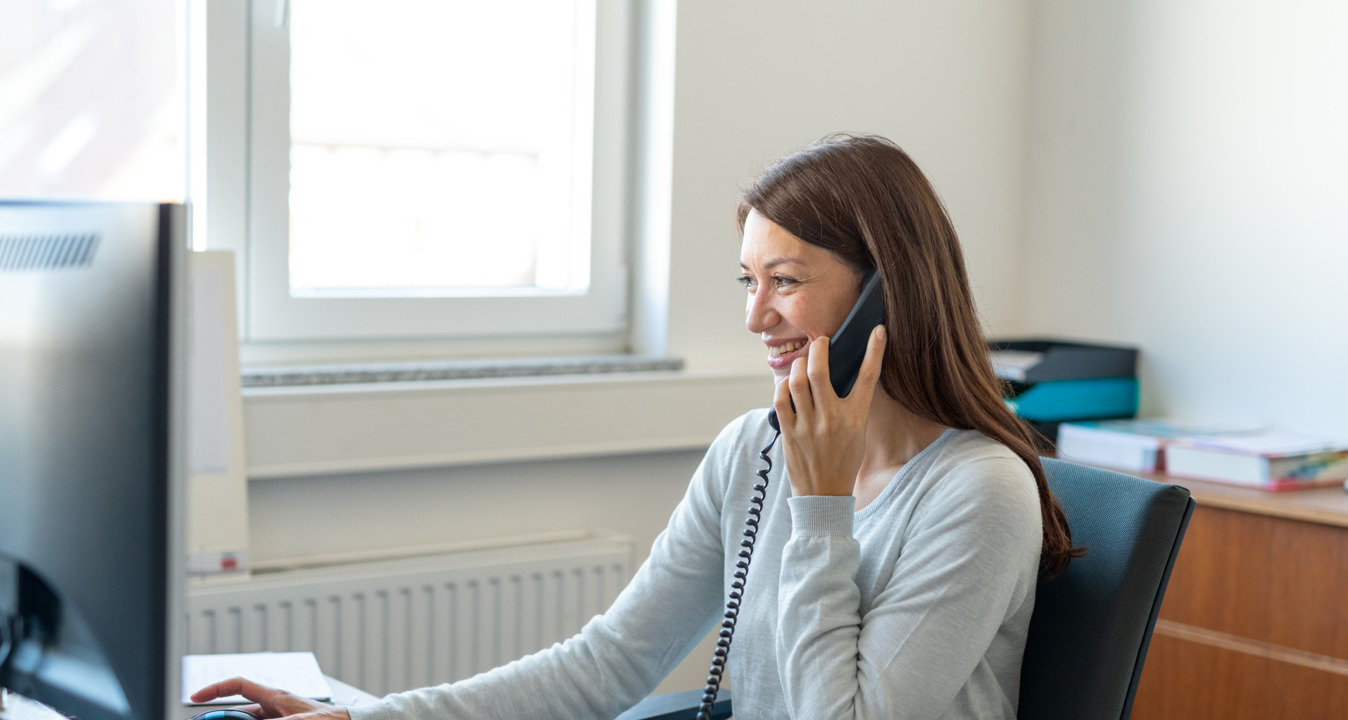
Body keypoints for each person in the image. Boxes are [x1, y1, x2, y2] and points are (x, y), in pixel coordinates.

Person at [192, 134, 1078, 719]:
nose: (756, 317)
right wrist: (362, 718)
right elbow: (607, 662)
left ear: (887, 291)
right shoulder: (751, 452)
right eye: (748, 281)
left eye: (787, 280)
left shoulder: (978, 493)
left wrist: (820, 509)